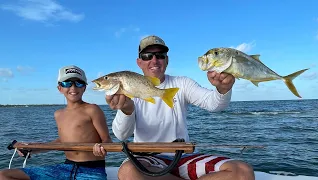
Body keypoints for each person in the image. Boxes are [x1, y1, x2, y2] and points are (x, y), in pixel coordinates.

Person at [105, 35, 255, 180]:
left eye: (160, 55)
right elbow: (121, 135)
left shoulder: (182, 83)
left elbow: (213, 104)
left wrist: (223, 88)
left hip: (183, 156)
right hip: (147, 159)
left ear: (167, 60)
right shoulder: (128, 89)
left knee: (243, 171)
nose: (154, 60)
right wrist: (126, 110)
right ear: (139, 62)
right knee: (127, 172)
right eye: (147, 56)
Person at [0, 65, 112, 180]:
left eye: (78, 83)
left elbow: (107, 139)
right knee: (3, 175)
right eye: (67, 83)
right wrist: (33, 149)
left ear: (84, 87)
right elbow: (62, 142)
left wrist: (102, 148)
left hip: (92, 171)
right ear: (60, 88)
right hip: (65, 168)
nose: (73, 87)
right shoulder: (58, 114)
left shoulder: (92, 109)